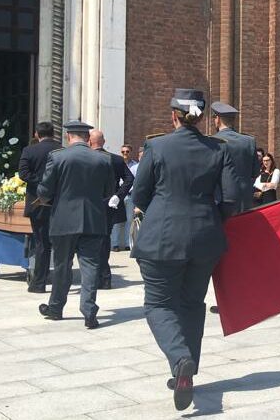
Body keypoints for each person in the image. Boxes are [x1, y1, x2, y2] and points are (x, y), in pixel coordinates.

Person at [132, 89, 239, 410]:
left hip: (162, 237)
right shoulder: (218, 149)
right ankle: (187, 371)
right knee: (193, 304)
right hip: (205, 238)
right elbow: (231, 200)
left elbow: (140, 195)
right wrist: (209, 220)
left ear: (174, 115)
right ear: (203, 117)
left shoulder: (157, 145)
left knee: (158, 305)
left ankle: (180, 361)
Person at [36, 120, 115, 328]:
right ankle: (89, 311)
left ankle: (56, 307)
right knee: (90, 266)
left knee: (62, 265)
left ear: (68, 136)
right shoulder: (103, 159)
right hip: (93, 219)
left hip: (64, 220)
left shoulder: (57, 157)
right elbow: (109, 192)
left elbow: (44, 191)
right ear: (88, 138)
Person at [17, 123, 63, 292]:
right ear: (53, 133)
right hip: (59, 202)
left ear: (36, 134)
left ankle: (39, 282)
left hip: (37, 201)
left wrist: (41, 182)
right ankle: (60, 279)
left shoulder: (29, 151)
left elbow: (23, 174)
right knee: (60, 243)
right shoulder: (62, 150)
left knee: (41, 243)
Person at [89, 129, 134, 290]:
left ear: (89, 141)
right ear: (104, 141)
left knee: (91, 241)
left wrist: (117, 196)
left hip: (91, 204)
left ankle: (96, 277)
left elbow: (130, 179)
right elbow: (130, 179)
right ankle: (104, 277)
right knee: (103, 240)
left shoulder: (88, 158)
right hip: (108, 203)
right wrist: (118, 195)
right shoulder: (115, 159)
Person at [211, 102, 260, 215]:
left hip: (221, 198)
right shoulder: (249, 141)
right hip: (245, 198)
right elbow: (255, 172)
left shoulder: (213, 141)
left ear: (217, 119)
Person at [111, 144, 139, 251]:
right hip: (118, 196)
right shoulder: (117, 164)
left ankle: (128, 244)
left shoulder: (136, 166)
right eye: (123, 152)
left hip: (130, 196)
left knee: (129, 220)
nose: (125, 153)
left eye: (127, 151)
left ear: (131, 152)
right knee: (116, 221)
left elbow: (136, 181)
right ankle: (115, 244)